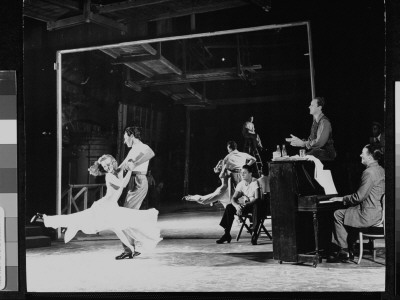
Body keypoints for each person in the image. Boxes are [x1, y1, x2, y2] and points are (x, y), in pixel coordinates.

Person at [30, 154, 162, 259]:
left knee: (118, 227)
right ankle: (43, 218)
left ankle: (130, 250)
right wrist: (130, 169)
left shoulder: (118, 171)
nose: (107, 167)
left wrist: (131, 162)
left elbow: (126, 164)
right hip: (103, 208)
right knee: (74, 219)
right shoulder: (110, 176)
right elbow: (123, 184)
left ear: (114, 162)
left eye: (109, 164)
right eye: (105, 166)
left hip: (111, 207)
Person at [328, 144, 384, 262]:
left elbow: (358, 197)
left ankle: (344, 251)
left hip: (368, 215)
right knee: (349, 212)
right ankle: (350, 247)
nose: (360, 155)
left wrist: (342, 198)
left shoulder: (369, 172)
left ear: (369, 157)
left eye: (362, 153)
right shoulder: (381, 170)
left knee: (338, 214)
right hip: (378, 213)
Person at [116, 126, 155, 259]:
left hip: (139, 181)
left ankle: (129, 249)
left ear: (131, 135)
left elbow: (151, 153)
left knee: (125, 216)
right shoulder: (133, 149)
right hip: (132, 181)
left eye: (125, 137)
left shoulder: (142, 146)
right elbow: (121, 167)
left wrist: (135, 163)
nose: (124, 141)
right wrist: (100, 167)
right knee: (127, 216)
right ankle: (131, 248)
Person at [216, 164, 265, 245]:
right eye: (241, 173)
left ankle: (254, 233)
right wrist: (237, 206)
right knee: (229, 207)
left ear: (250, 173)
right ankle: (227, 234)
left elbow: (257, 198)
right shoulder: (241, 184)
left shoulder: (255, 182)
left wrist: (244, 205)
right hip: (246, 205)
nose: (242, 174)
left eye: (244, 173)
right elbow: (233, 198)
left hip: (256, 206)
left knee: (256, 205)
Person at [286, 97, 336, 161]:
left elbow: (319, 142)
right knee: (301, 159)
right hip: (318, 153)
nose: (309, 107)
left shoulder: (324, 122)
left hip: (326, 154)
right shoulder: (315, 122)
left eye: (312, 105)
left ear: (319, 108)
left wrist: (303, 143)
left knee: (304, 159)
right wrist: (300, 141)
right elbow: (312, 140)